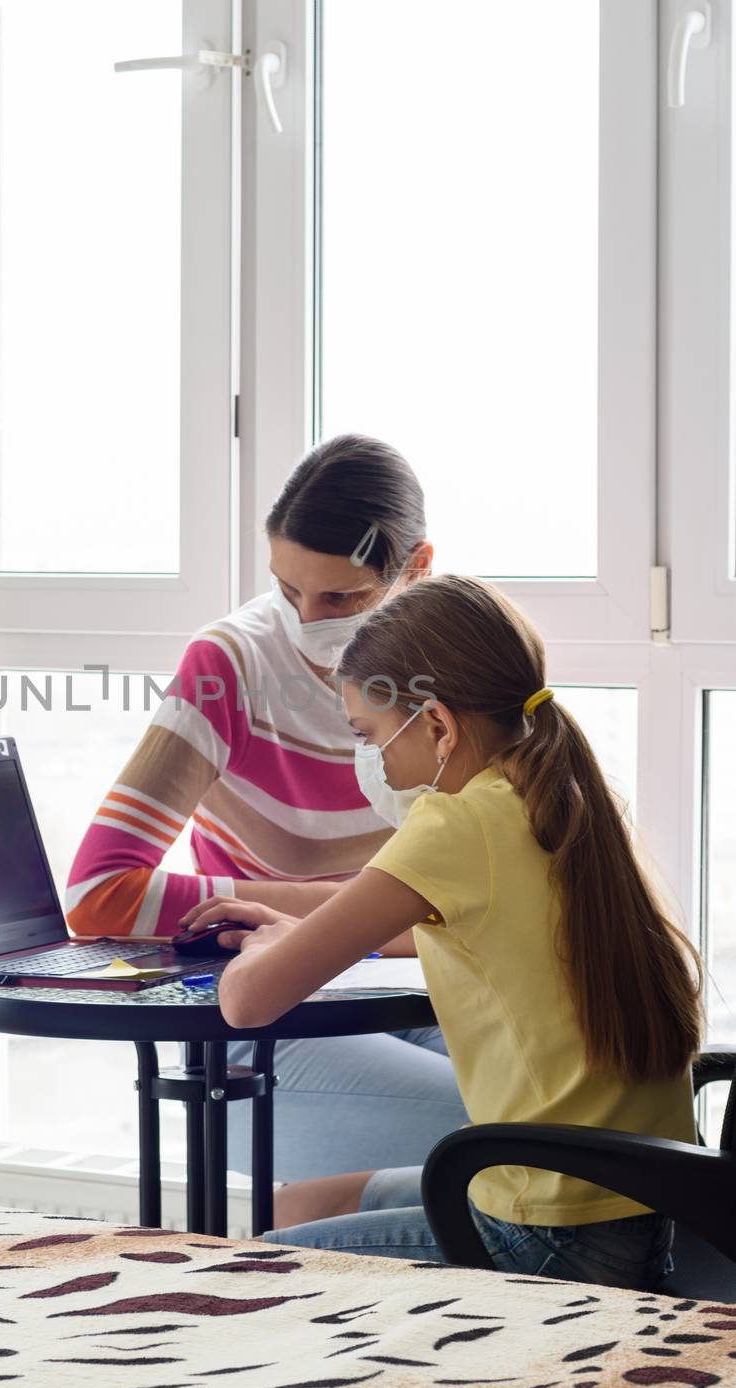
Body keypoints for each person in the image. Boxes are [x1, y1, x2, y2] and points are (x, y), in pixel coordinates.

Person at [182, 574, 700, 1290]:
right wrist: (294, 927)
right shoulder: (558, 792)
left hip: (546, 1232)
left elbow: (247, 1003)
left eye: (367, 734)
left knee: (256, 1270)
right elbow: (464, 926)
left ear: (434, 723)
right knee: (303, 1201)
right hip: (639, 1208)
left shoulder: (454, 822)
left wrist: (271, 949)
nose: (373, 760)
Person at [65, 434, 468, 1177]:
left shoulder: (454, 663)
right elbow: (99, 894)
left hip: (418, 990)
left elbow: (479, 898)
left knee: (570, 1122)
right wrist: (355, 910)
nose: (306, 619)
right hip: (279, 1013)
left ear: (416, 568)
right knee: (508, 1141)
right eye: (288, 590)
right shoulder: (231, 665)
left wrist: (365, 917)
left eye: (340, 597)